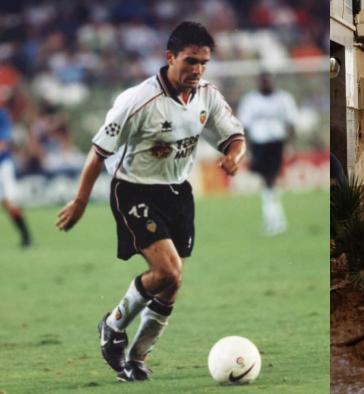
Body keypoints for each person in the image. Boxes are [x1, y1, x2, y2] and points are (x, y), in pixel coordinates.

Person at [55, 22, 246, 382]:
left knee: (172, 283)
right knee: (168, 271)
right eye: (191, 61)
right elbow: (97, 154)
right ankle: (112, 326)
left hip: (177, 192)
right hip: (134, 190)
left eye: (204, 62)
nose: (198, 70)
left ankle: (137, 359)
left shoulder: (207, 95)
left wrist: (235, 156)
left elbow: (234, 136)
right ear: (170, 57)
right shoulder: (138, 101)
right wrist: (80, 202)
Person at [238, 71, 297, 236]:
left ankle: (275, 221)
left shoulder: (283, 99)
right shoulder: (250, 101)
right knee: (267, 181)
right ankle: (275, 219)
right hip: (259, 144)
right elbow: (245, 127)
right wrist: (247, 149)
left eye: (268, 80)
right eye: (263, 81)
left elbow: (291, 123)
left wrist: (289, 145)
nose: (266, 83)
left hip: (276, 143)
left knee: (269, 180)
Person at [0, 108, 32, 248]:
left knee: (10, 203)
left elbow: (3, 143)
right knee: (6, 203)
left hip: (3, 166)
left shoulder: (2, 115)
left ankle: (26, 237)